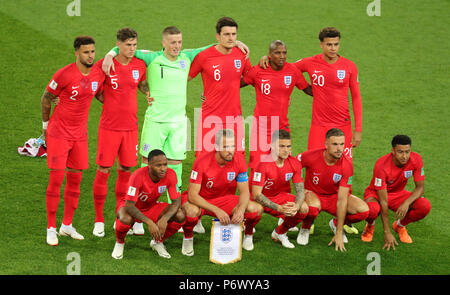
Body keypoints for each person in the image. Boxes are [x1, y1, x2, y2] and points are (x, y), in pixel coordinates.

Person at [260, 27, 362, 158]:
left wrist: (358, 130)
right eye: (329, 44)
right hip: (318, 126)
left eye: (336, 44)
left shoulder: (349, 66)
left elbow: (356, 97)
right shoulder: (311, 62)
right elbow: (285, 68)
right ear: (321, 44)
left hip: (343, 124)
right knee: (313, 164)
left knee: (343, 169)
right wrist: (267, 59)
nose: (333, 48)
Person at [42, 36, 105, 246]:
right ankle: (51, 227)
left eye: (93, 52)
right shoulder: (64, 74)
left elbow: (99, 94)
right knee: (56, 181)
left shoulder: (98, 72)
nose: (90, 56)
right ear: (76, 53)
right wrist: (44, 126)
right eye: (86, 52)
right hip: (58, 134)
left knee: (75, 182)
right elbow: (46, 96)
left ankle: (66, 225)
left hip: (80, 135)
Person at [92, 27, 151, 238]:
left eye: (134, 45)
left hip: (131, 128)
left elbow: (142, 84)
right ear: (118, 44)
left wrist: (148, 94)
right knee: (104, 170)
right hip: (109, 128)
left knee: (126, 170)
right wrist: (108, 103)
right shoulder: (107, 64)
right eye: (128, 45)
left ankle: (122, 213)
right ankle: (99, 219)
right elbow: (95, 89)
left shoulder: (139, 64)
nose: (132, 49)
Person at [180, 129, 263, 256]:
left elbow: (245, 192)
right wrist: (216, 210)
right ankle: (188, 238)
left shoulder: (239, 160)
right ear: (217, 147)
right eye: (226, 146)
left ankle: (248, 235)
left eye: (233, 146)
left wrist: (240, 210)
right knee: (191, 211)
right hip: (201, 200)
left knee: (254, 208)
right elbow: (192, 196)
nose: (231, 150)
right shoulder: (202, 161)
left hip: (225, 199)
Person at [242, 40, 312, 171]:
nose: (282, 56)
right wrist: (209, 90)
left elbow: (308, 89)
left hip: (282, 127)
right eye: (277, 53)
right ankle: (255, 191)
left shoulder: (293, 71)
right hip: (261, 128)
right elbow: (236, 83)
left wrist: (333, 90)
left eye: (284, 53)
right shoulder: (259, 71)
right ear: (269, 54)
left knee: (282, 167)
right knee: (257, 166)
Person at [295, 128, 369, 252]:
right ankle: (305, 228)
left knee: (363, 211)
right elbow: (293, 166)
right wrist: (300, 190)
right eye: (335, 144)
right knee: (312, 209)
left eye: (342, 144)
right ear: (326, 144)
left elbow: (342, 199)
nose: (339, 148)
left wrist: (339, 232)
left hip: (333, 197)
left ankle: (336, 224)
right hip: (313, 195)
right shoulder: (311, 155)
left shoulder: (347, 166)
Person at [188, 17, 252, 157]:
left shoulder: (241, 54)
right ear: (218, 36)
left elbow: (251, 77)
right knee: (204, 159)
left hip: (234, 118)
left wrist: (232, 85)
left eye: (234, 34)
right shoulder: (204, 57)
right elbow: (185, 79)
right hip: (210, 117)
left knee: (236, 159)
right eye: (226, 34)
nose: (231, 38)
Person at [111, 149, 185, 259]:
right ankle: (120, 243)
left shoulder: (170, 174)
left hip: (150, 206)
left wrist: (165, 218)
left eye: (165, 164)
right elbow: (129, 205)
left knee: (180, 215)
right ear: (149, 165)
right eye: (158, 165)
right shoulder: (137, 176)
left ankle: (157, 242)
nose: (163, 169)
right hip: (130, 206)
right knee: (125, 219)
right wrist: (149, 222)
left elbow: (176, 202)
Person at [361, 135, 431, 248]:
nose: (404, 156)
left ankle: (399, 226)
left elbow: (420, 188)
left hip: (398, 194)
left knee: (424, 206)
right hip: (376, 193)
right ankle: (370, 225)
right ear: (393, 151)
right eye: (400, 152)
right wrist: (387, 233)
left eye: (407, 152)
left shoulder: (416, 159)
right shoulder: (381, 165)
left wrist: (406, 203)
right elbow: (384, 202)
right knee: (373, 210)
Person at [250, 130, 308, 248]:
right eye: (281, 146)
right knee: (253, 211)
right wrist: (279, 208)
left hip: (279, 197)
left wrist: (297, 205)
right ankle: (248, 231)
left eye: (288, 146)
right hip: (258, 200)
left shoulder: (294, 163)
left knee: (304, 208)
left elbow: (300, 190)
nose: (286, 150)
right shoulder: (262, 164)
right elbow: (256, 195)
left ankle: (280, 232)